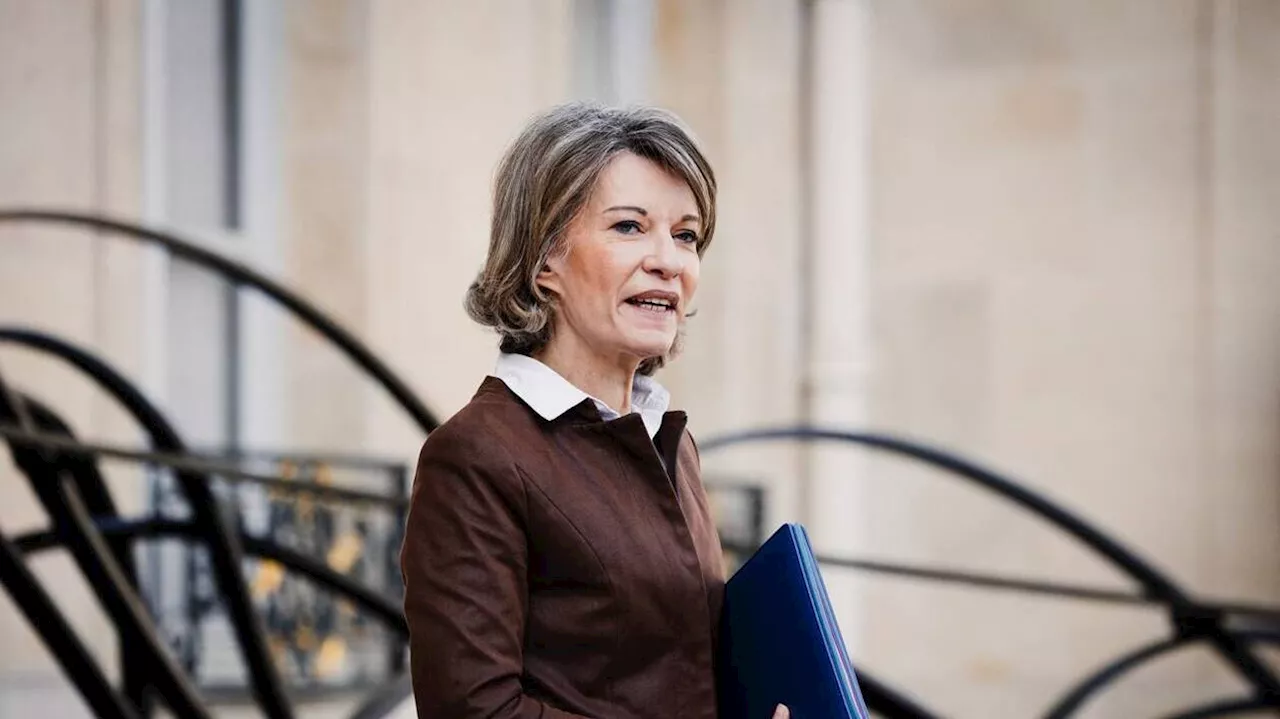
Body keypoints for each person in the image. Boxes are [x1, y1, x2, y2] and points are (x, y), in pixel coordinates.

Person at [400, 103, 787, 719]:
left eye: (685, 235)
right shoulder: (476, 454)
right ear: (544, 258)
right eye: (630, 227)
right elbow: (477, 710)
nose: (669, 260)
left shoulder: (670, 440)